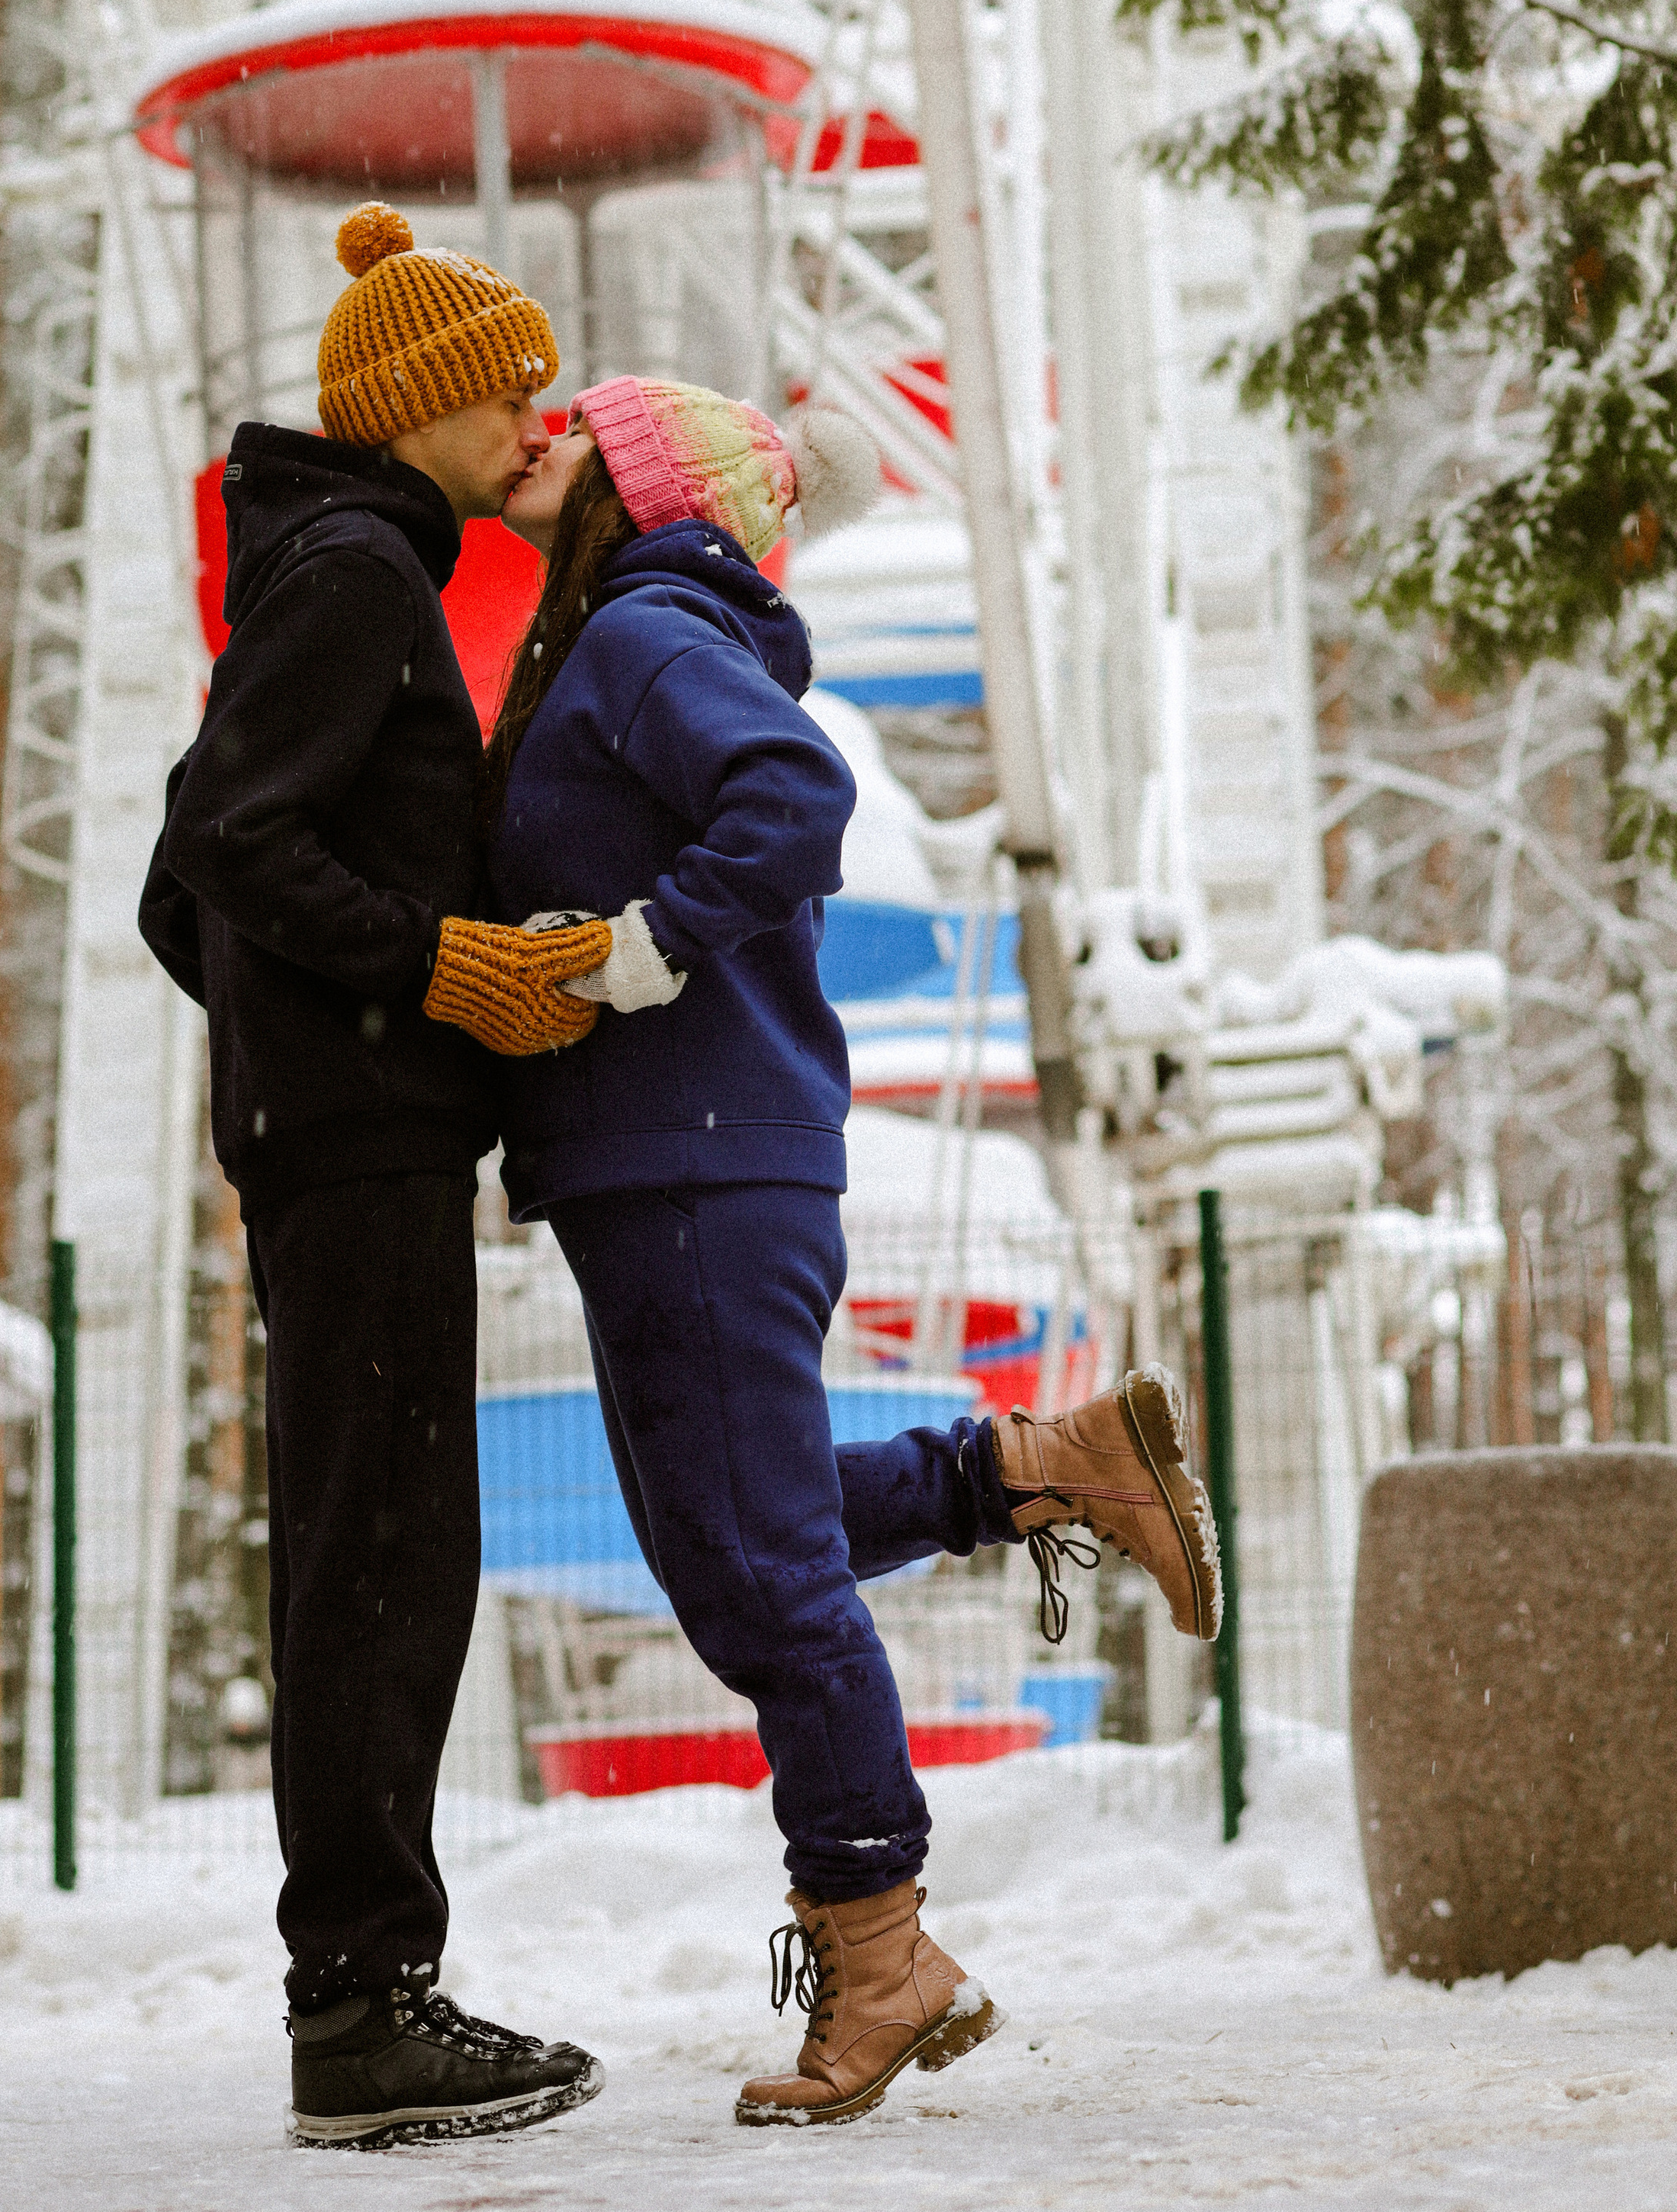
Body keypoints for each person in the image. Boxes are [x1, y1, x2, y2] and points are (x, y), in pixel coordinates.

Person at [484, 378, 1223, 2129]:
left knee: (759, 1572)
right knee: (730, 1535)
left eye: (572, 420)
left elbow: (791, 795)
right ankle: (1043, 1465)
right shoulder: (629, 629)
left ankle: (878, 1946)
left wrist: (644, 949)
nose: (534, 425)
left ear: (646, 485)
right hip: (676, 1155)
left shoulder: (649, 625)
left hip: (698, 1155)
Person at [138, 201, 613, 2149]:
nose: (537, 418)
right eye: (508, 388)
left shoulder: (326, 567)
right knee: (382, 1565)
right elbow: (236, 844)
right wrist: (427, 980)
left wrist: (289, 1047)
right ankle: (360, 2011)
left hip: (343, 1129)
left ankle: (367, 1992)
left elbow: (186, 879)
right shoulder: (352, 576)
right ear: (417, 404)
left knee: (376, 1550)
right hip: (363, 1145)